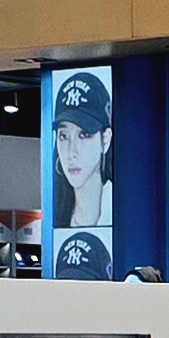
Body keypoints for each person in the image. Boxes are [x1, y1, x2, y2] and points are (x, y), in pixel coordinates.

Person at [52, 71, 113, 229]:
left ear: (105, 140)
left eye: (84, 134)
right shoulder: (55, 218)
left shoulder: (122, 211)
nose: (72, 152)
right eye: (64, 136)